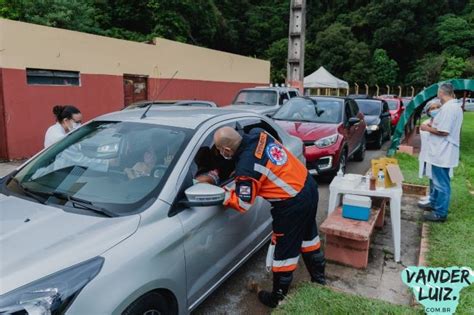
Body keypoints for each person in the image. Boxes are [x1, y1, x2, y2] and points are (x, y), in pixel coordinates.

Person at [213, 126, 325, 308]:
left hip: (291, 203)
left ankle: (278, 298)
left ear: (226, 150)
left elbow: (243, 203)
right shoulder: (259, 134)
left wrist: (223, 194)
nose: (220, 154)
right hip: (308, 186)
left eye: (219, 151)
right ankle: (319, 282)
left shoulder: (247, 168)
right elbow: (263, 160)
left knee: (284, 252)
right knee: (308, 237)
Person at [420, 83, 463, 222]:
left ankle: (440, 213)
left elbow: (444, 131)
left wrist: (427, 128)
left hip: (443, 151)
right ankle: (434, 204)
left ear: (441, 93)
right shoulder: (453, 107)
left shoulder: (449, 108)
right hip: (442, 151)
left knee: (441, 183)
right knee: (438, 181)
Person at [417, 100, 442, 208]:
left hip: (438, 155)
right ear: (428, 111)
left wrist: (429, 129)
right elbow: (424, 136)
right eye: (432, 108)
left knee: (436, 179)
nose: (435, 110)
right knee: (431, 177)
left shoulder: (441, 123)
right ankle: (431, 196)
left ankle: (434, 200)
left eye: (437, 107)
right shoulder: (426, 122)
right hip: (428, 154)